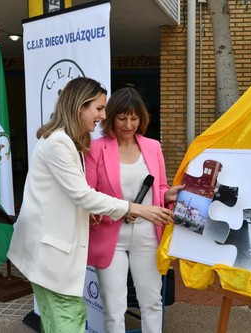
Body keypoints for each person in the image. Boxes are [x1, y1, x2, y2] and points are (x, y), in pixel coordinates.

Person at [7, 78, 174, 333]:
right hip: (61, 248)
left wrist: (91, 211)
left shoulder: (69, 141)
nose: (102, 115)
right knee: (70, 316)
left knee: (62, 318)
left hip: (136, 238)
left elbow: (79, 197)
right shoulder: (62, 143)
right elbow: (84, 193)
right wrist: (135, 208)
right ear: (80, 107)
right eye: (99, 108)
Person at [85, 86, 183, 333]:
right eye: (122, 117)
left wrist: (168, 194)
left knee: (152, 302)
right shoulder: (96, 148)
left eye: (134, 117)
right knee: (114, 308)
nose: (128, 124)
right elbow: (89, 193)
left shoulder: (152, 146)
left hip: (147, 234)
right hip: (111, 236)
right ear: (111, 116)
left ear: (141, 118)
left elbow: (158, 187)